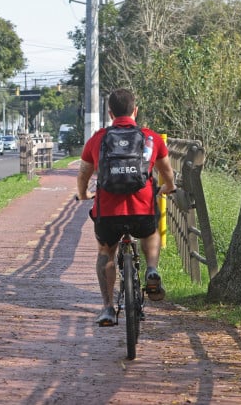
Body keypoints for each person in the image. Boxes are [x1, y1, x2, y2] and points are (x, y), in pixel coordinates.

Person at [76, 88, 176, 326]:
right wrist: (168, 188)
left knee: (105, 252)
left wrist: (83, 194)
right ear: (135, 110)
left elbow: (83, 174)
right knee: (150, 232)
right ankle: (151, 270)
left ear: (110, 113)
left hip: (108, 213)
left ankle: (108, 308)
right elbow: (167, 173)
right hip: (142, 210)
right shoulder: (151, 138)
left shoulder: (98, 139)